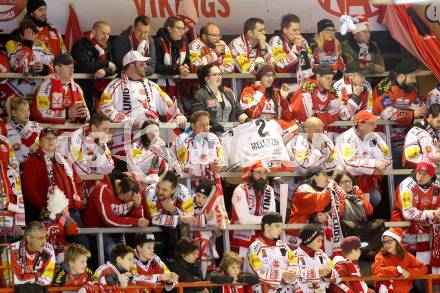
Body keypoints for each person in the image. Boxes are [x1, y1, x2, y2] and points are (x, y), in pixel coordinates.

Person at [99, 50, 186, 156]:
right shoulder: (114, 85)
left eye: (145, 63)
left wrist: (178, 115)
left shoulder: (152, 85)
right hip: (125, 143)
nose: (145, 66)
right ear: (131, 66)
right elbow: (105, 107)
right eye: (141, 64)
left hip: (152, 139)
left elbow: (167, 103)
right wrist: (125, 119)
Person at [22, 127, 84, 223]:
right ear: (40, 141)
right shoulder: (32, 161)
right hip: (49, 212)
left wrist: (78, 198)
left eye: (53, 138)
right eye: (47, 138)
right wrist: (43, 206)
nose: (50, 141)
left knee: (81, 238)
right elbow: (30, 189)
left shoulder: (65, 159)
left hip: (72, 209)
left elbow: (78, 182)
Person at [373, 60, 426, 171]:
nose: (414, 80)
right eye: (412, 77)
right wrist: (413, 114)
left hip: (404, 138)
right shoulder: (385, 88)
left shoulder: (411, 89)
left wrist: (420, 110)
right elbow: (387, 114)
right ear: (402, 77)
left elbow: (418, 106)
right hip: (384, 140)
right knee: (413, 153)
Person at [82, 171, 149, 259]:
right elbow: (108, 220)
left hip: (118, 232)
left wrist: (137, 206)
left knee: (131, 259)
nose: (126, 201)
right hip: (99, 232)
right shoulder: (102, 189)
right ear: (120, 190)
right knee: (118, 258)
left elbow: (138, 222)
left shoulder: (132, 191)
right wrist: (135, 222)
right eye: (125, 198)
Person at [392, 158, 440, 273]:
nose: (420, 177)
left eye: (425, 174)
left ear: (432, 176)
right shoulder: (406, 187)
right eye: (418, 172)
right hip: (406, 232)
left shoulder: (437, 186)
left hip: (427, 230)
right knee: (418, 268)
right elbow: (408, 213)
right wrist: (433, 214)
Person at [335, 110, 391, 207]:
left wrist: (379, 164)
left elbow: (387, 158)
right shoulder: (347, 138)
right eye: (371, 124)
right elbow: (349, 164)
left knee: (375, 198)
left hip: (368, 180)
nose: (375, 126)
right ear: (361, 125)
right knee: (353, 206)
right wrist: (374, 164)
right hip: (347, 181)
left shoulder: (373, 137)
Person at [288, 166, 345, 256]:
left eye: (328, 175)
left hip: (315, 234)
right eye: (324, 174)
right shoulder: (303, 188)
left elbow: (339, 210)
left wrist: (325, 216)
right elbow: (317, 203)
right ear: (314, 176)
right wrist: (329, 188)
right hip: (298, 234)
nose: (328, 178)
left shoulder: (323, 191)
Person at [230, 161, 276, 269]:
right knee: (242, 276)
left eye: (264, 172)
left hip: (264, 240)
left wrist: (265, 219)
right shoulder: (240, 190)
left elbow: (272, 217)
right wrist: (266, 219)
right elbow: (244, 220)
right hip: (242, 241)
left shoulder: (269, 190)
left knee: (263, 276)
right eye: (258, 172)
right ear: (250, 173)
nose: (261, 176)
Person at [248, 212, 301, 292]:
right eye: (277, 226)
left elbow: (294, 263)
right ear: (267, 226)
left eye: (281, 226)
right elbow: (260, 272)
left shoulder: (283, 245)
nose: (280, 230)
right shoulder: (254, 248)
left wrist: (292, 273)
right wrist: (282, 275)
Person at [145, 171, 194, 258]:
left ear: (173, 190)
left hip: (177, 235)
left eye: (164, 190)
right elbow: (154, 219)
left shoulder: (184, 192)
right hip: (155, 234)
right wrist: (178, 218)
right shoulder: (151, 191)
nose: (159, 191)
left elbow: (189, 218)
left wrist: (173, 210)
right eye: (158, 187)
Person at [71, 20, 116, 112]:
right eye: (103, 33)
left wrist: (104, 71)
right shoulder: (80, 45)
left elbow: (115, 67)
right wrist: (106, 64)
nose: (106, 37)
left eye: (108, 34)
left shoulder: (109, 46)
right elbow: (83, 66)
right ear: (94, 32)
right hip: (84, 90)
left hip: (104, 92)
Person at [32, 53, 90, 124]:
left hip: (74, 132)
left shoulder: (77, 87)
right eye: (68, 67)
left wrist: (82, 116)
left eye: (73, 67)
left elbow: (87, 115)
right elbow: (40, 113)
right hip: (52, 132)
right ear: (57, 68)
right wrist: (66, 114)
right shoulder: (45, 87)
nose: (72, 70)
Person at [174, 111, 224, 189]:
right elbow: (183, 166)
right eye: (202, 125)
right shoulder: (182, 139)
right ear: (193, 126)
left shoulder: (213, 138)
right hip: (190, 185)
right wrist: (207, 166)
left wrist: (218, 165)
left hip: (211, 183)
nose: (206, 128)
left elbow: (220, 160)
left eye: (207, 124)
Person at [193, 64, 249, 133]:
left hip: (228, 134)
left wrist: (247, 120)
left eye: (220, 74)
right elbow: (198, 116)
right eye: (215, 74)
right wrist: (214, 124)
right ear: (206, 78)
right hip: (209, 136)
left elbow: (238, 111)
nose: (219, 77)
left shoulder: (228, 92)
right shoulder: (200, 94)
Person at [57, 113, 114, 177]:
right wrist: (97, 167)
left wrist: (101, 146)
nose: (108, 132)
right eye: (105, 129)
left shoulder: (100, 139)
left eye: (108, 129)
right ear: (94, 128)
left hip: (81, 178)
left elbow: (109, 168)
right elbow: (80, 170)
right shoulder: (77, 138)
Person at [295, 226, 350, 292]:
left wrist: (330, 272)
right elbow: (291, 277)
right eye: (318, 241)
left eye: (321, 241)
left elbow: (336, 275)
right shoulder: (294, 255)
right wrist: (317, 272)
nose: (321, 244)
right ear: (308, 240)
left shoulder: (322, 254)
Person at [372, 228, 427, 293]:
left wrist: (407, 272)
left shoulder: (407, 255)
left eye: (389, 241)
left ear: (396, 241)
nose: (386, 245)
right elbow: (377, 270)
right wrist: (397, 270)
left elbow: (423, 268)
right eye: (384, 242)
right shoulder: (380, 256)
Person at [1, 221, 55, 287]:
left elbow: (47, 279)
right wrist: (37, 276)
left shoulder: (49, 250)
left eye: (45, 237)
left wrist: (23, 277)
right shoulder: (10, 250)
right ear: (29, 238)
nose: (45, 242)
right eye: (40, 238)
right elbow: (12, 282)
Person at [192, 179, 229, 277]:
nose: (200, 199)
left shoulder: (213, 205)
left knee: (209, 269)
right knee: (195, 270)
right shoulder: (190, 203)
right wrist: (204, 218)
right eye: (198, 195)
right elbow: (188, 220)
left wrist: (221, 221)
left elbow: (219, 229)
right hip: (194, 244)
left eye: (204, 197)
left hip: (209, 246)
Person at [4, 19, 48, 98]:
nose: (32, 37)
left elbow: (53, 66)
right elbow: (19, 68)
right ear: (21, 35)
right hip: (17, 89)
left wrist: (44, 68)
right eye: (28, 34)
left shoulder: (41, 44)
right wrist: (28, 44)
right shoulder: (11, 44)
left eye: (34, 34)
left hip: (39, 89)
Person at [154, 16, 190, 97]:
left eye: (183, 29)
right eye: (178, 28)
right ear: (169, 29)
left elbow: (188, 62)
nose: (182, 32)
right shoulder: (158, 41)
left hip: (177, 89)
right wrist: (176, 69)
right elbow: (156, 66)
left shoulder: (184, 42)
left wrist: (185, 68)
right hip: (158, 88)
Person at [24, 0, 67, 68]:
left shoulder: (53, 29)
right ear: (31, 13)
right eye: (40, 10)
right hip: (36, 75)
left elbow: (64, 52)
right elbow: (24, 59)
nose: (44, 13)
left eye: (45, 9)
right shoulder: (27, 30)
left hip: (56, 74)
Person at [269, 14, 313, 80]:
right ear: (285, 30)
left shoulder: (302, 40)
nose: (298, 33)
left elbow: (311, 63)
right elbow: (279, 67)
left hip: (300, 80)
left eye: (299, 30)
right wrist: (296, 50)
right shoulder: (276, 40)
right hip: (281, 82)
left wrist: (303, 52)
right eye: (294, 30)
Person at [42, 187, 79, 264]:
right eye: (66, 207)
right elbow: (50, 230)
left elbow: (74, 230)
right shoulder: (46, 221)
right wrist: (62, 224)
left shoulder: (64, 219)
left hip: (60, 253)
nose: (67, 208)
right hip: (46, 254)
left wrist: (67, 218)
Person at [128, 120, 169, 184]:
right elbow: (135, 166)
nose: (154, 134)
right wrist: (146, 179)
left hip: (158, 179)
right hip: (141, 180)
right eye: (150, 131)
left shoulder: (161, 144)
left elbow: (168, 164)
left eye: (156, 131)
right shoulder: (137, 146)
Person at [5, 95, 41, 164]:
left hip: (35, 167)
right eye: (23, 111)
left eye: (28, 110)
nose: (27, 113)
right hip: (15, 169)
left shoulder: (36, 125)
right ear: (14, 113)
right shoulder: (5, 129)